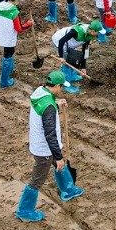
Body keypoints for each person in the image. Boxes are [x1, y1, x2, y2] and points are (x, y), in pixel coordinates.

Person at [15, 70, 82, 222]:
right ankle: (24, 210)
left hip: (41, 144)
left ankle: (68, 189)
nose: (62, 90)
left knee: (59, 163)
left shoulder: (40, 92)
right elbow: (50, 133)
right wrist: (58, 156)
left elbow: (45, 108)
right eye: (61, 87)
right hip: (44, 149)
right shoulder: (49, 107)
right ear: (57, 86)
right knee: (37, 179)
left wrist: (56, 103)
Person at [0, 0, 33, 88]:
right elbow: (19, 29)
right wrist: (28, 24)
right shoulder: (14, 12)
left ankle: (10, 69)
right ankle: (4, 82)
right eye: (18, 0)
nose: (18, 2)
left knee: (8, 54)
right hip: (9, 39)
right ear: (16, 0)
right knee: (8, 55)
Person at [52, 21, 102, 93]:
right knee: (68, 61)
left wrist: (83, 67)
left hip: (70, 44)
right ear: (93, 31)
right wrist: (61, 56)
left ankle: (72, 75)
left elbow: (85, 50)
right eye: (98, 32)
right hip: (60, 41)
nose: (99, 34)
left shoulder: (90, 34)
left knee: (75, 57)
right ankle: (66, 83)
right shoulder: (76, 31)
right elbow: (61, 41)